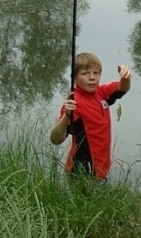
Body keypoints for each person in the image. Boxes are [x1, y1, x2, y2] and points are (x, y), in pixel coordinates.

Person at [50, 52, 132, 180]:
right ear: (74, 78)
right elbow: (56, 139)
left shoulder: (101, 93)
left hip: (102, 167)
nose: (92, 77)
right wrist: (66, 116)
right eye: (85, 74)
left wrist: (125, 77)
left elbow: (122, 88)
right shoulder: (73, 102)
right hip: (81, 169)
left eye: (96, 73)